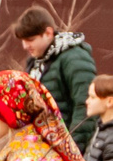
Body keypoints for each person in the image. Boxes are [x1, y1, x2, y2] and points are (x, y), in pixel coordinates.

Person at [14, 7, 97, 144]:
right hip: (43, 145)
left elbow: (85, 106)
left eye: (30, 39)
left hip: (64, 147)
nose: (25, 46)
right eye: (23, 40)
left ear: (48, 33)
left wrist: (72, 149)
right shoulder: (37, 61)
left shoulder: (74, 58)